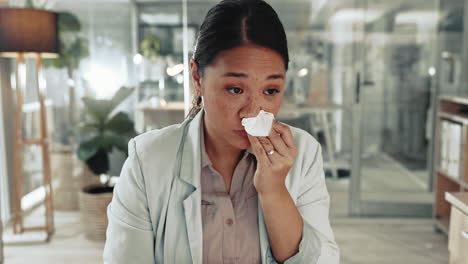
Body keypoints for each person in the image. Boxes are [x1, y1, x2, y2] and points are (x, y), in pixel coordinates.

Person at [103, 0, 339, 263]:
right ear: (197, 78)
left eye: (270, 91)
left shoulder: (303, 153)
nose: (252, 112)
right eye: (235, 89)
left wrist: (274, 190)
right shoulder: (148, 160)